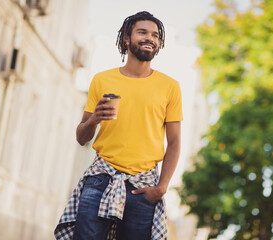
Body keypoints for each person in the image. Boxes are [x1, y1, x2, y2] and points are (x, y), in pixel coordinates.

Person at [54, 11, 182, 240]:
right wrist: (94, 119)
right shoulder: (102, 80)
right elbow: (81, 137)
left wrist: (161, 188)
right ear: (126, 38)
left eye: (155, 35)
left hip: (143, 187)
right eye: (142, 32)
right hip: (101, 179)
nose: (149, 38)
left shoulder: (170, 87)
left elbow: (174, 143)